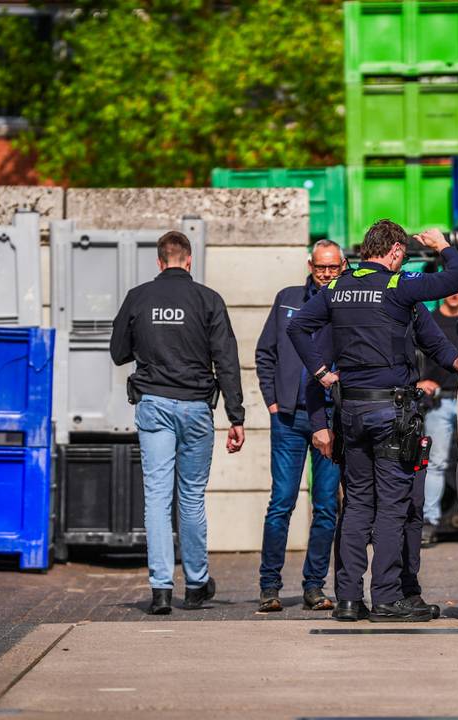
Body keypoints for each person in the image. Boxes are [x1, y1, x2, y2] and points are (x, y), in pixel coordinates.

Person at [287, 221, 458, 622]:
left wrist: (321, 373)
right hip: (391, 413)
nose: (401, 261)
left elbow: (297, 326)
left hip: (350, 413)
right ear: (391, 252)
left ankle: (349, 598)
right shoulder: (397, 285)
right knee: (392, 506)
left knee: (356, 505)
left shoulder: (337, 288)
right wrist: (442, 245)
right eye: (401, 255)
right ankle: (387, 596)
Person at [109, 231, 246, 616]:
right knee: (190, 497)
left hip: (153, 405)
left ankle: (161, 589)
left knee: (156, 496)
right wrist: (236, 416)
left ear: (159, 262)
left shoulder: (139, 297)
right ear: (189, 261)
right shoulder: (208, 300)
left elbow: (119, 353)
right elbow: (227, 361)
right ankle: (198, 583)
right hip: (196, 408)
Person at [253, 240, 345, 613]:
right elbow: (265, 352)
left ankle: (314, 586)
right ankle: (269, 586)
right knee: (281, 503)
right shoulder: (288, 298)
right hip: (289, 418)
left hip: (330, 418)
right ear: (310, 265)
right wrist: (273, 402)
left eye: (332, 268)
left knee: (325, 507)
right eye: (320, 267)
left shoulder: (346, 303)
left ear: (343, 265)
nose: (325, 274)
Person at [416, 291, 458, 546]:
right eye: (450, 290)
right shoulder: (429, 322)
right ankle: (430, 522)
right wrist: (418, 381)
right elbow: (410, 357)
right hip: (439, 401)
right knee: (436, 463)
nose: (454, 295)